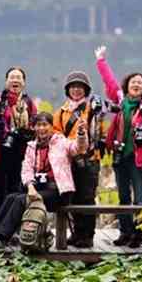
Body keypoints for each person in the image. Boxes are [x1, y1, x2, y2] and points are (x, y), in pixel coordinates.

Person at [0, 113, 87, 251]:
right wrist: (30, 186)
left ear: (51, 127)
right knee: (11, 197)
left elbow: (79, 149)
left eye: (45, 125)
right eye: (38, 125)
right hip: (39, 188)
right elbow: (26, 169)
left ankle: (1, 239)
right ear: (34, 127)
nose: (41, 128)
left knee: (20, 201)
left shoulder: (61, 142)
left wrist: (81, 134)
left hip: (58, 191)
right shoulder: (31, 146)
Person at [94, 45, 142, 248]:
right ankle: (125, 232)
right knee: (123, 196)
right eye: (133, 82)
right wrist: (101, 61)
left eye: (139, 83)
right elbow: (110, 81)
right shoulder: (120, 102)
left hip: (137, 158)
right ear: (127, 86)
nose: (136, 85)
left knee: (140, 198)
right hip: (120, 156)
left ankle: (139, 235)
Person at [52, 70, 104, 248]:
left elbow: (100, 130)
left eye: (80, 87)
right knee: (72, 197)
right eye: (73, 87)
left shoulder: (94, 109)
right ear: (68, 90)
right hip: (70, 160)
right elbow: (56, 134)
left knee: (87, 198)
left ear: (86, 90)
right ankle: (76, 233)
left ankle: (87, 235)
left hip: (89, 160)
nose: (76, 90)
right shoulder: (60, 112)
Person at [0, 67, 37, 217]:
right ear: (6, 81)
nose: (15, 80)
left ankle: (12, 229)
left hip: (20, 154)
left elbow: (35, 123)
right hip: (0, 154)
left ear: (24, 82)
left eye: (19, 77)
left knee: (15, 191)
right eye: (12, 77)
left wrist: (27, 132)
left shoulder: (29, 103)